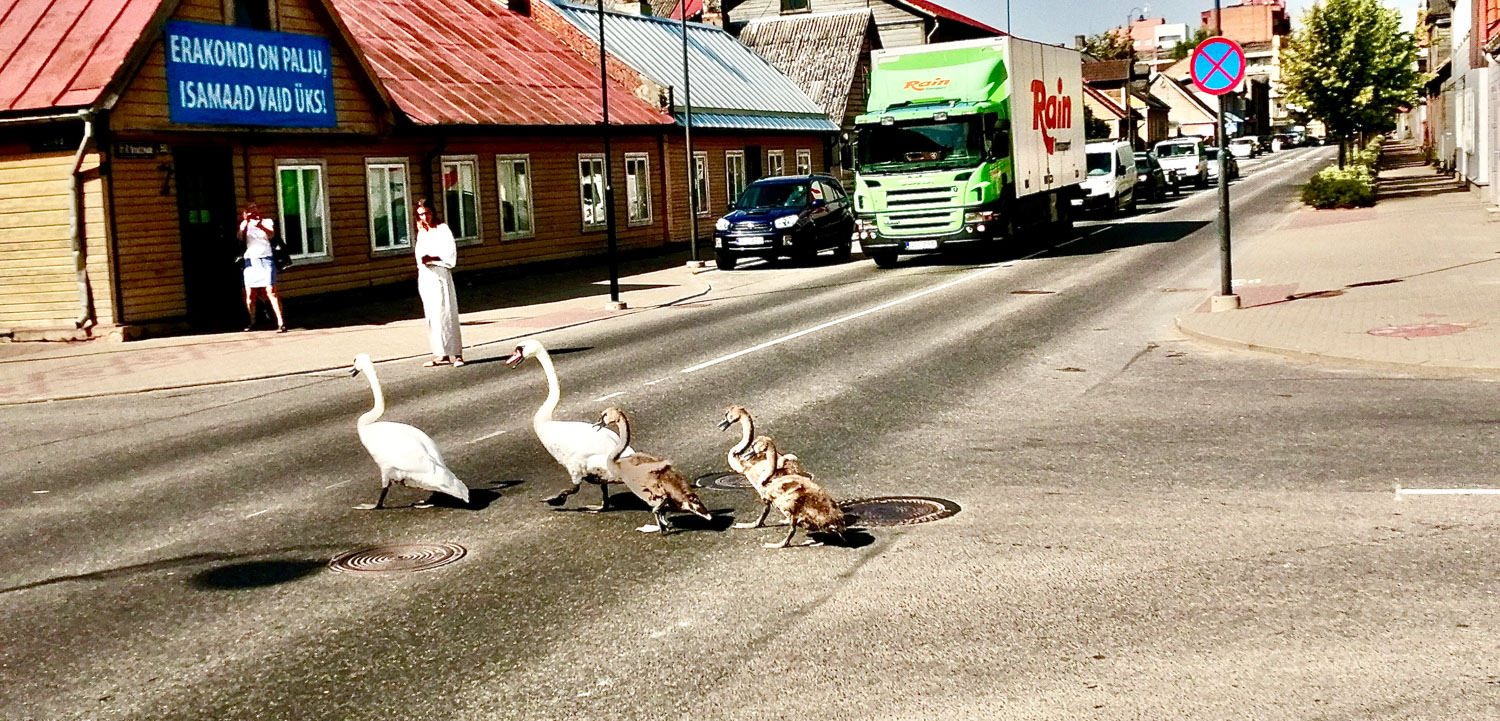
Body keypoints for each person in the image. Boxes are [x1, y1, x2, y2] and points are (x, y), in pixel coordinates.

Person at [414, 198, 464, 367]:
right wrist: (424, 260)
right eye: (420, 215)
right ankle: (440, 353)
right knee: (433, 316)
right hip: (426, 276)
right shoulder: (422, 232)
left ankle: (456, 354)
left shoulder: (442, 229)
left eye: (426, 213)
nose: (424, 218)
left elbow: (449, 252)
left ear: (432, 213)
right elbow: (420, 256)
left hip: (441, 273)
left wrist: (433, 257)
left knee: (447, 312)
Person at [237, 203, 286, 333]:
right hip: (251, 260)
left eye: (255, 208)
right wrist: (246, 224)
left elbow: (271, 235)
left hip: (266, 258)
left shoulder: (267, 221)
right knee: (250, 294)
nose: (253, 211)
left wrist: (259, 225)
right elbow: (240, 239)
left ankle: (281, 322)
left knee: (271, 291)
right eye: (249, 209)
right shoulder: (244, 224)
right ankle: (252, 321)